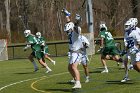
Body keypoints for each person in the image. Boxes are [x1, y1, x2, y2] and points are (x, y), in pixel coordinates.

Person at [62, 8, 83, 88]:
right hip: (72, 52)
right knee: (69, 68)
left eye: (67, 31)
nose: (67, 32)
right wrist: (66, 13)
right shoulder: (70, 30)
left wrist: (78, 20)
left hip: (77, 52)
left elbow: (76, 27)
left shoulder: (75, 32)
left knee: (74, 67)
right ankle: (75, 79)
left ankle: (78, 83)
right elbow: (68, 22)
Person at [121, 18, 140, 82]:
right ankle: (126, 76)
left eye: (127, 26)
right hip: (131, 51)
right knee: (134, 66)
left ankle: (126, 76)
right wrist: (124, 50)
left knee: (137, 64)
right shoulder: (126, 33)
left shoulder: (135, 32)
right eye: (126, 26)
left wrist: (136, 49)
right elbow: (127, 44)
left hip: (136, 51)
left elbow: (139, 42)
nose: (126, 27)